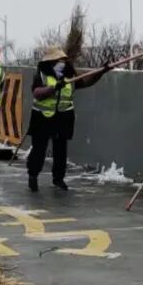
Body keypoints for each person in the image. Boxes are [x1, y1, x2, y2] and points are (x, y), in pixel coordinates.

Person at [26, 48, 112, 192]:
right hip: (42, 117)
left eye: (64, 60)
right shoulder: (41, 75)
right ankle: (33, 175)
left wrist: (101, 72)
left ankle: (58, 178)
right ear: (51, 62)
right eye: (59, 61)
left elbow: (86, 81)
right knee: (39, 150)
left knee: (61, 150)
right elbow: (37, 93)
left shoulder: (71, 75)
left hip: (63, 117)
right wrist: (53, 88)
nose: (62, 63)